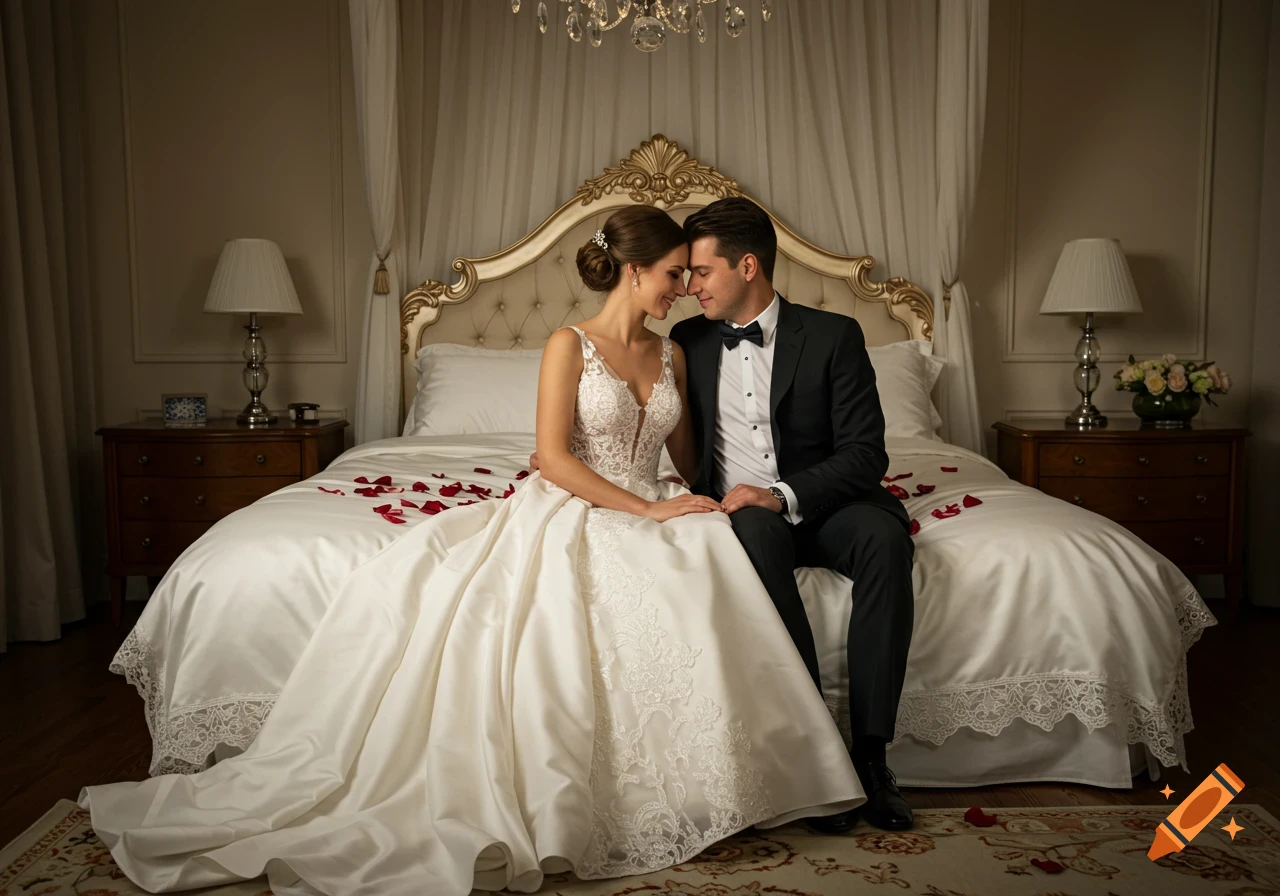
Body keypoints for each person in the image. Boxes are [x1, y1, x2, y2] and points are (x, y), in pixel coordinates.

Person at [78, 205, 864, 896]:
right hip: (577, 502)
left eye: (689, 275)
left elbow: (688, 463)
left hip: (652, 497)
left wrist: (702, 497)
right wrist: (639, 510)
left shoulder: (676, 353)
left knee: (708, 558)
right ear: (631, 271)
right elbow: (554, 459)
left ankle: (722, 784)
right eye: (669, 273)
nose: (683, 288)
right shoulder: (568, 344)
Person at [669, 197, 916, 833]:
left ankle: (871, 757)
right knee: (751, 529)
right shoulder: (687, 341)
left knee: (887, 542)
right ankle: (816, 753)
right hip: (745, 516)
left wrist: (781, 493)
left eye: (701, 271)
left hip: (828, 503)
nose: (690, 285)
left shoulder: (835, 336)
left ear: (747, 265)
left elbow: (867, 453)